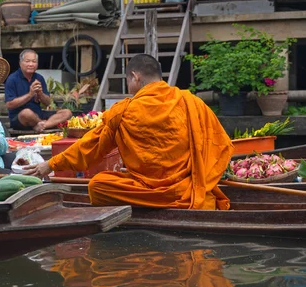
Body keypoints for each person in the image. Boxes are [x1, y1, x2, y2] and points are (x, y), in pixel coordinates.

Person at [25, 54, 234, 210]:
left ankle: (154, 202)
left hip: (149, 191)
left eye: (128, 80)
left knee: (98, 185)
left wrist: (50, 165)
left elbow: (91, 148)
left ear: (135, 77)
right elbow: (221, 143)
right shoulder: (191, 102)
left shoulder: (125, 111)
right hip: (189, 188)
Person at [5, 49, 72, 132]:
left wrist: (40, 94)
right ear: (20, 63)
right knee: (26, 113)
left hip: (38, 114)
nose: (31, 64)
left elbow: (47, 102)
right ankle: (44, 124)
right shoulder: (12, 79)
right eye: (27, 61)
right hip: (20, 118)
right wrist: (30, 95)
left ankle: (43, 125)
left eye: (34, 61)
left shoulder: (39, 78)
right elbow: (9, 104)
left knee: (67, 112)